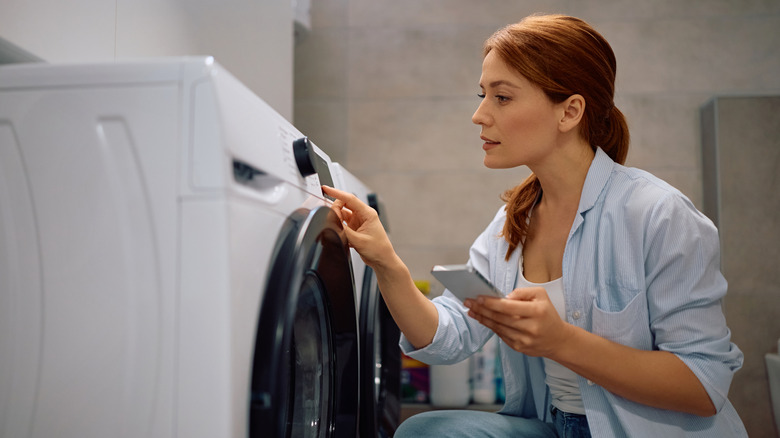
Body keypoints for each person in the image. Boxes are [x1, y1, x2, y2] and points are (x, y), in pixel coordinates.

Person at [322, 13, 747, 438]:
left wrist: (561, 341)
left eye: (502, 97)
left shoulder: (660, 214)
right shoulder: (514, 222)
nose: (479, 115)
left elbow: (703, 384)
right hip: (555, 426)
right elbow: (448, 337)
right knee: (424, 432)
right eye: (483, 95)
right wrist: (386, 262)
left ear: (570, 111)